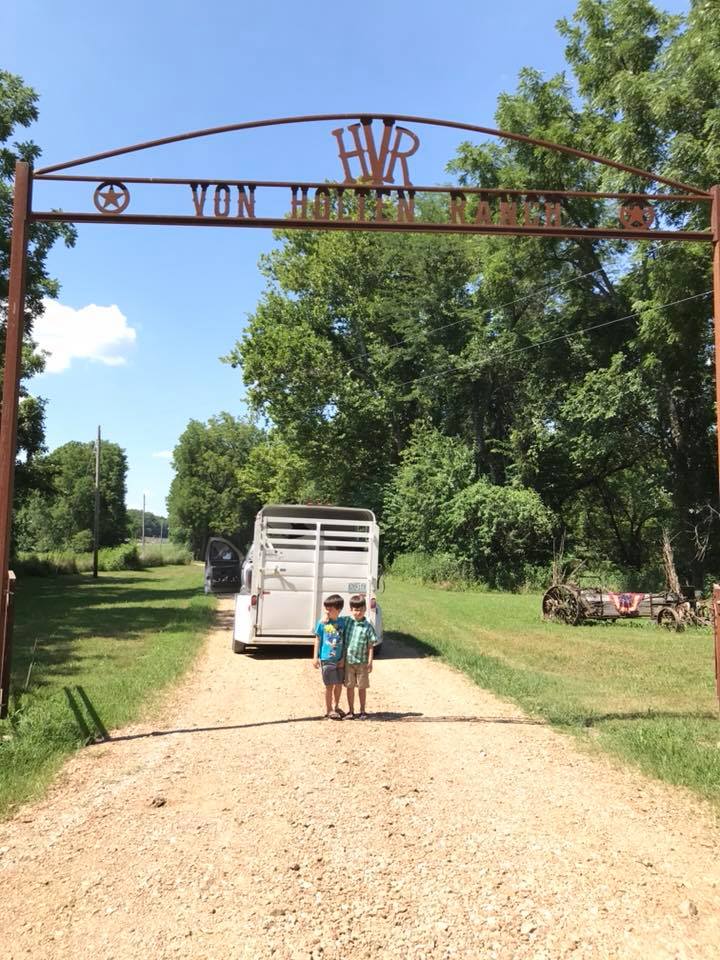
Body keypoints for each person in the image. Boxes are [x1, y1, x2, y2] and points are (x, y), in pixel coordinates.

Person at [343, 594, 378, 720]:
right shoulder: (347, 622)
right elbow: (333, 620)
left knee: (362, 687)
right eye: (355, 610)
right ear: (350, 610)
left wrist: (370, 661)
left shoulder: (368, 626)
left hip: (362, 662)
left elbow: (370, 645)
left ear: (365, 609)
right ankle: (351, 711)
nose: (358, 613)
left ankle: (362, 711)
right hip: (348, 661)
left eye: (361, 610)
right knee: (349, 686)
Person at [313, 593, 347, 720]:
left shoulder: (343, 622)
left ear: (339, 609)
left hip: (339, 659)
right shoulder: (322, 623)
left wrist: (343, 658)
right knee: (329, 686)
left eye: (330, 609)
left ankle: (336, 706)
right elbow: (317, 639)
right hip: (326, 659)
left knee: (338, 684)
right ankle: (329, 709)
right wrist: (315, 657)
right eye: (326, 608)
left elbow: (345, 640)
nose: (327, 611)